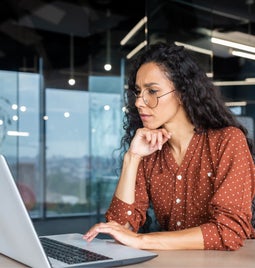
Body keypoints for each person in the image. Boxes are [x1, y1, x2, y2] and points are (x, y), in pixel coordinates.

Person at [84, 42, 255, 251]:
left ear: (183, 93)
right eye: (138, 92)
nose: (139, 102)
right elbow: (121, 227)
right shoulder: (149, 150)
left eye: (152, 91)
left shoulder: (227, 141)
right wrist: (133, 157)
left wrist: (143, 240)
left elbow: (228, 231)